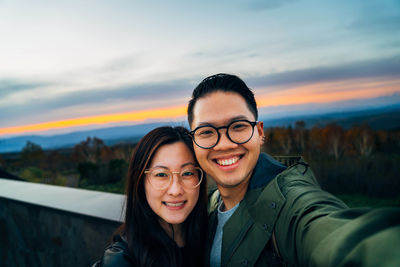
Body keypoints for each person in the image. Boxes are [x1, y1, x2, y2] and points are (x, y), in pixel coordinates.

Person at [187, 73, 400, 267]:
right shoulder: (207, 206)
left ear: (259, 133)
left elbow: (334, 234)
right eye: (207, 132)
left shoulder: (291, 202)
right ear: (193, 141)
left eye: (238, 126)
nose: (224, 144)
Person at [95, 126, 207, 267]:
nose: (175, 190)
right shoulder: (122, 260)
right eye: (161, 175)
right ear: (140, 183)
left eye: (187, 173)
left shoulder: (214, 236)